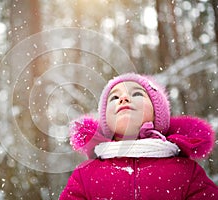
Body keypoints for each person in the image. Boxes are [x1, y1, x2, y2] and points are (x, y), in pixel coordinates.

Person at [59, 73, 218, 200]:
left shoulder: (186, 172)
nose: (123, 98)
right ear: (105, 119)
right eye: (114, 97)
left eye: (136, 94)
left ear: (157, 113)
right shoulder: (86, 175)